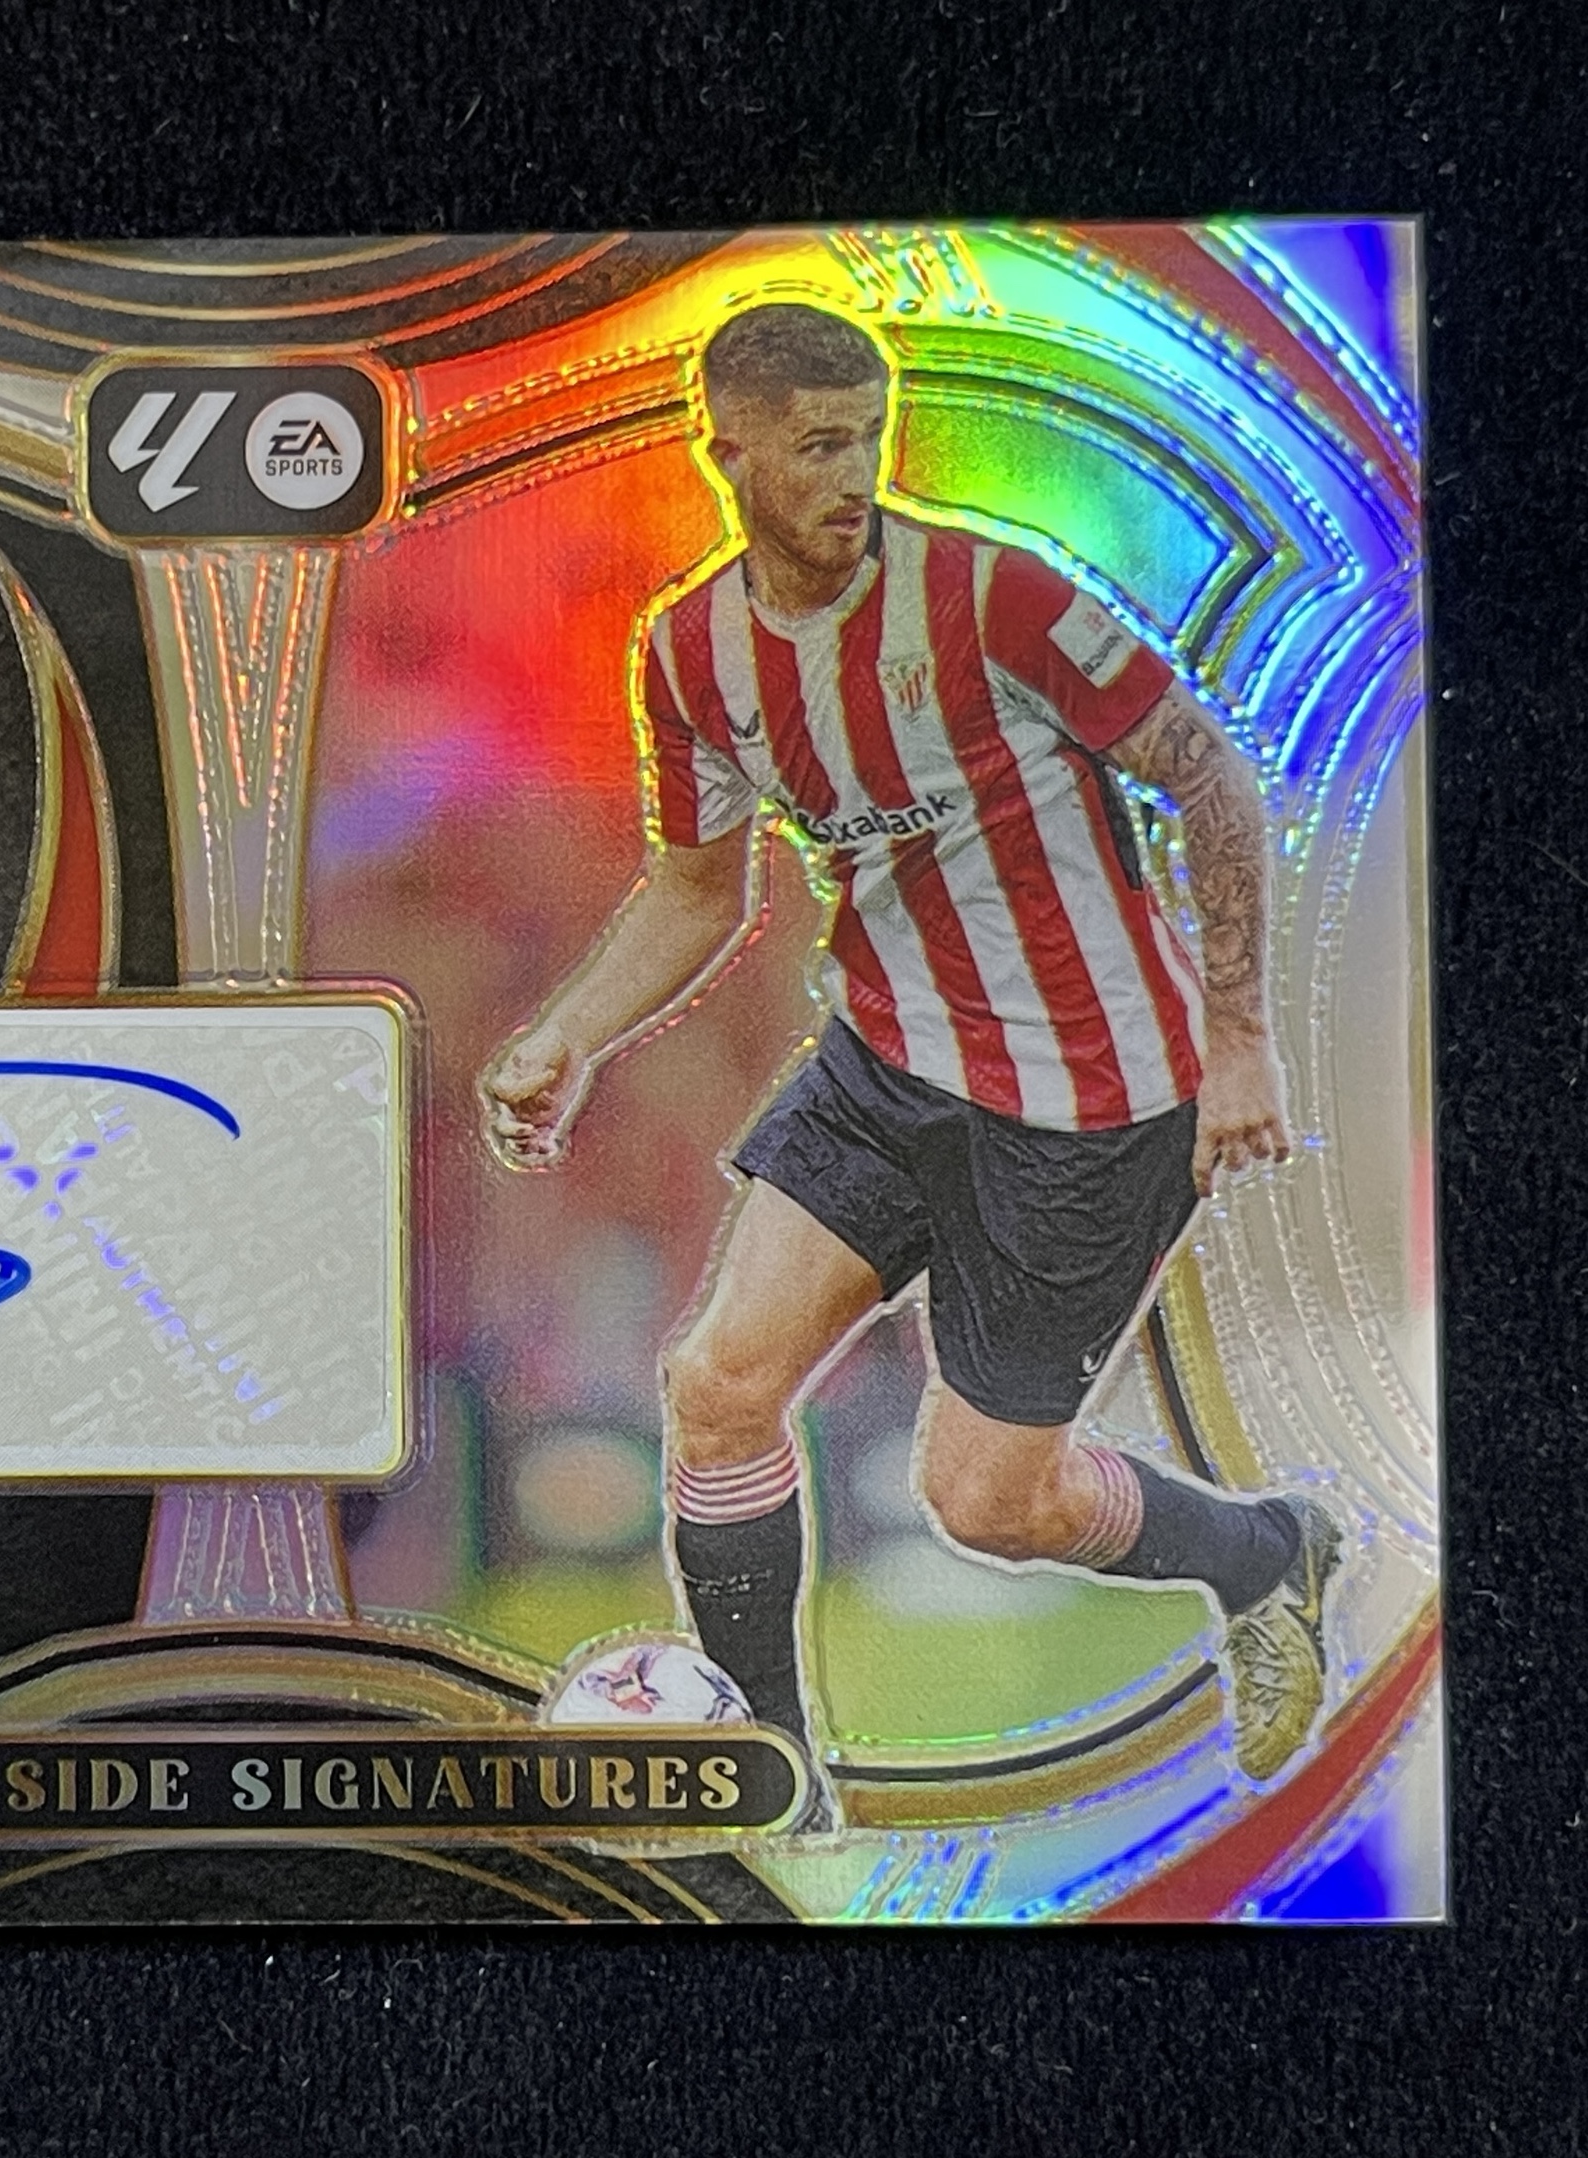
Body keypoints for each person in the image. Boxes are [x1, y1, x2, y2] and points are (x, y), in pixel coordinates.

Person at [478, 302, 1338, 1814]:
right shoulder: (689, 652)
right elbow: (697, 890)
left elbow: (1205, 770)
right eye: (816, 445)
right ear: (729, 452)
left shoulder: (995, 596)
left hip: (1090, 1103)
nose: (850, 475)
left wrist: (1242, 1033)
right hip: (884, 1065)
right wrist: (568, 1032)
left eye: (865, 439)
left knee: (987, 1503)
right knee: (718, 1384)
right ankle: (771, 1770)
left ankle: (1266, 1552)